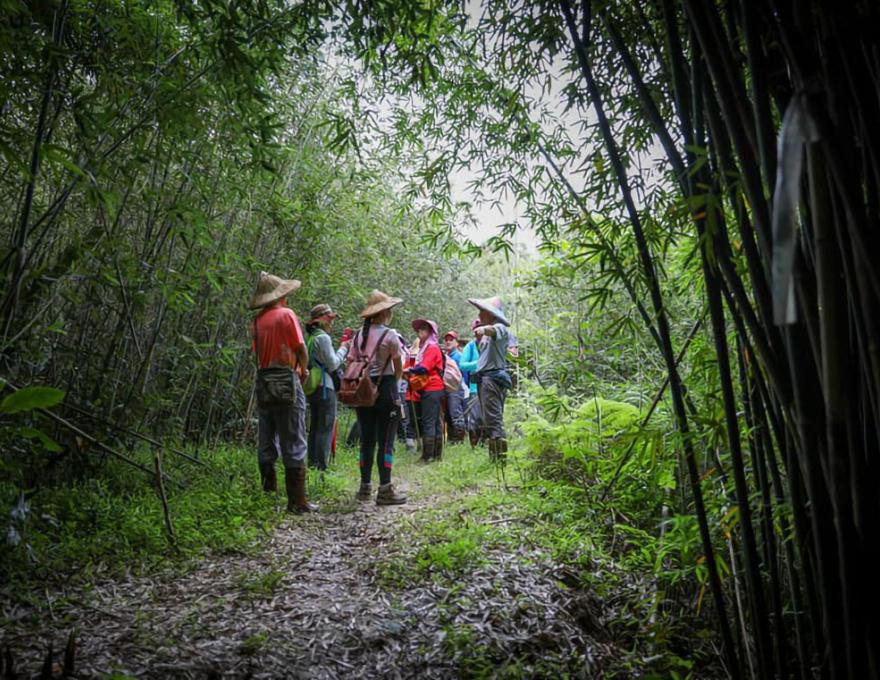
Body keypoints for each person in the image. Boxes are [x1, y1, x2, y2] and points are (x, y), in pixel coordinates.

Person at [249, 272, 317, 513]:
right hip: (287, 379)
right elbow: (301, 349)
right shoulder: (286, 315)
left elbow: (259, 353)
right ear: (281, 295)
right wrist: (303, 370)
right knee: (294, 437)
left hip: (264, 381)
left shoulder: (257, 321)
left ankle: (268, 495)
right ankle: (297, 501)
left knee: (267, 437)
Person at [347, 290, 407, 505]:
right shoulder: (390, 335)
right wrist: (395, 387)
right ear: (385, 312)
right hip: (385, 390)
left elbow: (351, 362)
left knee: (367, 440)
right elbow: (399, 366)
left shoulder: (357, 336)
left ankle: (364, 488)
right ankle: (385, 490)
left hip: (362, 391)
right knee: (386, 441)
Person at [304, 303, 349, 471]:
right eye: (329, 319)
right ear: (321, 319)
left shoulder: (310, 337)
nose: (331, 322)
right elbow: (333, 364)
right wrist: (344, 349)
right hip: (324, 387)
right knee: (325, 428)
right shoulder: (322, 337)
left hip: (313, 386)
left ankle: (312, 465)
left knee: (315, 427)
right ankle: (322, 468)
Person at [469, 296, 513, 461]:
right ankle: (495, 459)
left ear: (490, 314)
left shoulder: (499, 328)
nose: (479, 315)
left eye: (482, 312)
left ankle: (499, 462)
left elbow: (495, 331)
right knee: (489, 419)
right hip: (485, 379)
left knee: (494, 419)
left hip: (492, 379)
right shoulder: (487, 334)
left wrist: (484, 330)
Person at [405, 319, 445, 462]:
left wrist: (409, 370)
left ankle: (427, 456)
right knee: (434, 422)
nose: (419, 331)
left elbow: (424, 368)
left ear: (430, 332)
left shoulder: (432, 347)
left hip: (432, 387)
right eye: (419, 329)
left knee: (429, 421)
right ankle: (436, 455)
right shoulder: (426, 348)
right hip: (431, 388)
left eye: (423, 329)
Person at [459, 319, 483, 447]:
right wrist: (479, 364)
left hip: (489, 387)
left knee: (487, 417)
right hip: (474, 388)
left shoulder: (490, 344)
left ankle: (485, 444)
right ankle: (474, 445)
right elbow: (462, 365)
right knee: (475, 418)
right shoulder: (470, 346)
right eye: (477, 328)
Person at [443, 331, 466, 442]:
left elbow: (464, 374)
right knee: (448, 414)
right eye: (446, 340)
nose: (448, 342)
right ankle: (452, 439)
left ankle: (459, 440)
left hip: (456, 389)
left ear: (456, 342)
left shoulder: (459, 356)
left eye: (451, 339)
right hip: (447, 389)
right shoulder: (445, 356)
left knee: (455, 413)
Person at [403, 336, 422, 453]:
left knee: (415, 419)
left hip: (416, 393)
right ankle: (411, 443)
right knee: (415, 419)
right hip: (412, 393)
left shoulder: (411, 356)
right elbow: (404, 371)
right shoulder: (412, 357)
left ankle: (415, 442)